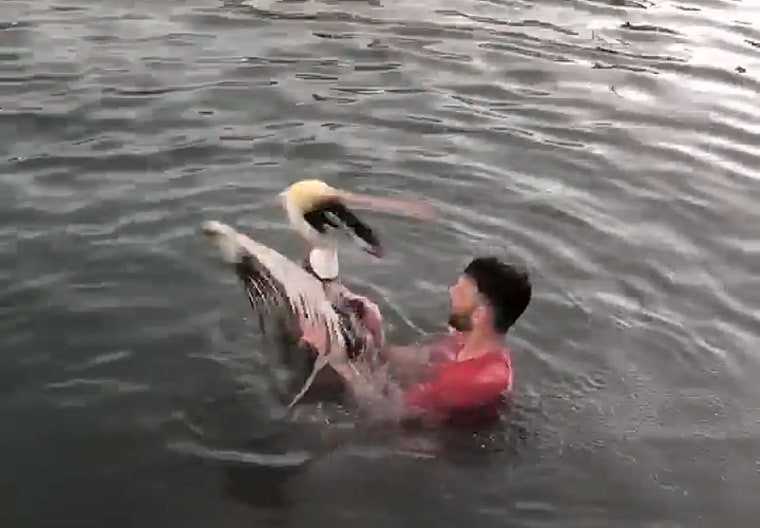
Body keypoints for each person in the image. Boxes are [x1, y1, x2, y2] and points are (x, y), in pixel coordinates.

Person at [298, 256, 532, 425]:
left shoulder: (475, 380)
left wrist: (336, 355)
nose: (450, 291)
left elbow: (382, 412)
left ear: (480, 314)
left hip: (427, 449)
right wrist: (368, 325)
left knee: (313, 418)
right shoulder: (465, 341)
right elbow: (407, 360)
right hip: (418, 407)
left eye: (461, 291)